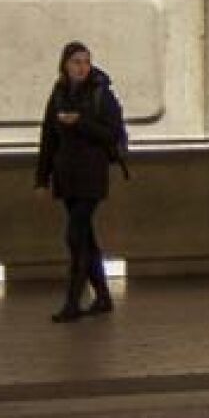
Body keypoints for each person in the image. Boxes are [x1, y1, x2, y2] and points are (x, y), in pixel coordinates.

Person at [34, 41, 128, 322]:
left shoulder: (101, 93)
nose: (81, 67)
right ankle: (102, 297)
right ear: (65, 64)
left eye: (86, 62)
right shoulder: (59, 92)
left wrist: (80, 122)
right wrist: (42, 177)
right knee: (86, 237)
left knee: (74, 236)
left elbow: (111, 134)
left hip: (91, 176)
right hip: (67, 177)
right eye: (76, 61)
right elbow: (48, 137)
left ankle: (72, 303)